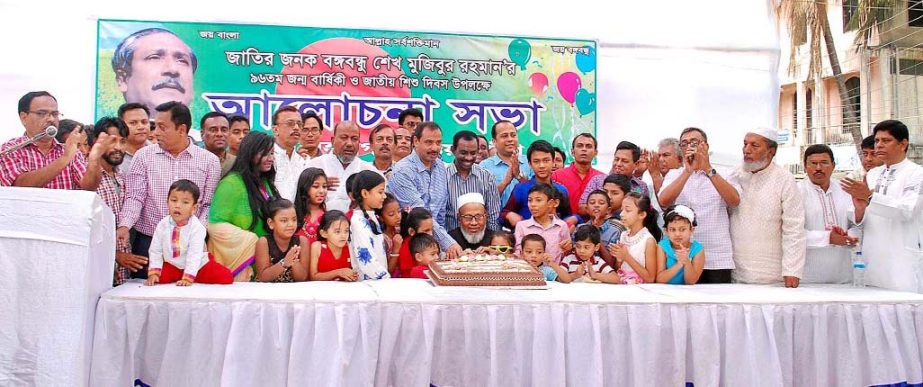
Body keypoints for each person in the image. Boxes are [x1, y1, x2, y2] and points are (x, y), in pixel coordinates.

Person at [118, 101, 220, 278]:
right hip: (149, 241)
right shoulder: (143, 157)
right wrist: (125, 225)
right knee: (146, 296)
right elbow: (135, 197)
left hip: (190, 243)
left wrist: (197, 235)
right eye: (155, 126)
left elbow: (207, 204)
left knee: (186, 295)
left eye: (162, 127)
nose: (155, 132)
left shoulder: (209, 161)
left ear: (181, 129)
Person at [841, 120, 923, 292]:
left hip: (902, 260)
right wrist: (859, 209)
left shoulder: (916, 173)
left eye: (886, 141)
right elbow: (859, 220)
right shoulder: (872, 174)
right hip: (872, 259)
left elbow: (907, 211)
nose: (879, 145)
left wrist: (870, 197)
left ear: (903, 144)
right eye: (877, 140)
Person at [658, 127, 741, 284]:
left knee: (717, 306)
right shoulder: (675, 174)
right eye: (684, 143)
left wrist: (708, 170)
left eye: (694, 142)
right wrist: (687, 172)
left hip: (716, 256)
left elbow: (734, 200)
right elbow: (664, 201)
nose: (689, 146)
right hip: (681, 256)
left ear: (706, 146)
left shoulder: (725, 172)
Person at [728, 128, 805, 287]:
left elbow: (794, 227)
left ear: (771, 151)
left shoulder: (785, 179)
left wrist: (792, 269)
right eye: (745, 144)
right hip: (735, 273)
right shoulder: (735, 175)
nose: (747, 150)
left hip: (772, 275)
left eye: (754, 146)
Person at [1, 91, 111, 190]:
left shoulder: (70, 150)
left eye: (55, 114)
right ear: (24, 118)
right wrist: (64, 159)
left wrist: (95, 160)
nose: (51, 119)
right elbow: (20, 185)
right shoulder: (10, 149)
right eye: (41, 113)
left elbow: (88, 187)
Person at [208, 132, 280, 281]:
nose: (271, 158)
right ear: (250, 152)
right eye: (265, 153)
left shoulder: (264, 181)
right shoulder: (230, 184)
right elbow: (215, 224)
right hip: (248, 261)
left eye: (272, 153)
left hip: (267, 260)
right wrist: (251, 240)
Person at [388, 121, 463, 258]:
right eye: (429, 142)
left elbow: (440, 215)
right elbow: (420, 214)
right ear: (415, 141)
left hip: (433, 245)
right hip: (408, 244)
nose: (435, 148)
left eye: (438, 143)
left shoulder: (440, 167)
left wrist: (441, 249)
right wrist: (449, 244)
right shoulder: (403, 171)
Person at [144, 180, 233, 286]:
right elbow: (155, 250)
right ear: (167, 202)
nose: (178, 206)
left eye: (185, 202)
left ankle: (193, 274)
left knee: (226, 277)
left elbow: (194, 254)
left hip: (198, 265)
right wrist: (154, 273)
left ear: (194, 208)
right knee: (157, 277)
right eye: (173, 200)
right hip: (173, 265)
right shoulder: (162, 225)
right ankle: (178, 275)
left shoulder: (197, 227)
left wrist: (188, 277)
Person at [799, 144, 864, 284]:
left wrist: (849, 237)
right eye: (813, 163)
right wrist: (828, 238)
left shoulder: (846, 189)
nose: (818, 168)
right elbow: (791, 233)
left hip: (843, 275)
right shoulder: (795, 192)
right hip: (807, 277)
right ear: (805, 166)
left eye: (824, 163)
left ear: (833, 165)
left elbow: (857, 225)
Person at [91, 117, 135, 285]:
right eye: (112, 141)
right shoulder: (85, 176)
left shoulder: (122, 177)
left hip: (124, 268)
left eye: (122, 141)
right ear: (97, 141)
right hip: (97, 266)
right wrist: (113, 257)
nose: (118, 147)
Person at [112, 28, 197, 114]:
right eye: (154, 57)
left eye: (182, 61)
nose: (172, 69)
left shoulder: (207, 125)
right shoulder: (108, 127)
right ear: (122, 80)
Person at [501, 140, 577, 227]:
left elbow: (567, 215)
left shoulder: (561, 190)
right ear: (530, 164)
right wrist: (509, 215)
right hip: (527, 238)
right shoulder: (521, 189)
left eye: (546, 160)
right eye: (536, 161)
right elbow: (503, 214)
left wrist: (574, 219)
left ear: (553, 162)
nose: (542, 165)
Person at [308, 120, 379, 211]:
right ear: (332, 141)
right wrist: (319, 185)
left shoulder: (369, 171)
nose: (349, 143)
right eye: (344, 138)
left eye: (354, 139)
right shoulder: (314, 165)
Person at [447, 130, 501, 231]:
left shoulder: (487, 177)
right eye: (463, 153)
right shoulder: (442, 176)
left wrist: (491, 243)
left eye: (473, 153)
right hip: (449, 242)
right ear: (453, 150)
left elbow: (494, 216)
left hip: (481, 242)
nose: (468, 158)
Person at [513, 183, 572, 263]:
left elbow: (566, 254)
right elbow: (518, 253)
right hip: (530, 272)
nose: (533, 205)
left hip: (554, 273)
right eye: (530, 200)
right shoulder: (522, 226)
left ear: (551, 203)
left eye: (538, 200)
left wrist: (568, 249)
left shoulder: (561, 226)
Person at [579, 141, 649, 207]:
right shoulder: (597, 181)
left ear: (636, 164)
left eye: (624, 161)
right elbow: (582, 206)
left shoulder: (641, 186)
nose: (618, 164)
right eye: (616, 159)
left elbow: (644, 212)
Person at [610, 192, 660, 284]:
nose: (621, 214)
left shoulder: (648, 240)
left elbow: (650, 278)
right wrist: (619, 260)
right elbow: (618, 268)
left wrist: (626, 257)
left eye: (627, 210)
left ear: (642, 215)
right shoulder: (623, 235)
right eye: (622, 210)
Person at [348, 170, 390, 280]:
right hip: (368, 285)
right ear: (365, 193)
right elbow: (367, 261)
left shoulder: (371, 217)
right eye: (380, 192)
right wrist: (385, 278)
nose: (384, 196)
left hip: (377, 282)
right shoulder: (358, 222)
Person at [480, 120, 533, 207]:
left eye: (513, 135)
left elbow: (539, 193)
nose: (510, 139)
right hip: (497, 219)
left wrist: (519, 176)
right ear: (494, 141)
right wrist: (505, 182)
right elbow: (484, 199)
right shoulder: (485, 166)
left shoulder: (529, 162)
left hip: (527, 218)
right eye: (504, 136)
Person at [255, 198, 309, 282]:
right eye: (284, 220)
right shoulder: (264, 242)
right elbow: (263, 277)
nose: (291, 224)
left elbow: (302, 278)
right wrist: (284, 263)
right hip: (267, 291)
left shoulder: (302, 241)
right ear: (271, 223)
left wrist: (294, 261)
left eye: (294, 219)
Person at [552, 133, 603, 216]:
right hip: (564, 226)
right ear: (572, 151)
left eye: (588, 146)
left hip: (594, 226)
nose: (584, 149)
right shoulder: (556, 176)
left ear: (595, 152)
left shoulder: (602, 178)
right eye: (580, 146)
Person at [655, 205, 706, 285]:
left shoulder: (698, 249)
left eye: (682, 229)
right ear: (666, 231)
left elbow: (691, 281)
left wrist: (686, 261)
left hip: (687, 292)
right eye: (672, 230)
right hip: (665, 291)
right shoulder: (662, 246)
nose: (677, 234)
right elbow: (660, 279)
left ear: (691, 230)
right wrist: (679, 264)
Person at [272, 106, 310, 200]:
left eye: (299, 124)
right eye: (290, 124)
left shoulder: (304, 161)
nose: (296, 128)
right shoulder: (267, 159)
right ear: (275, 130)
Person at [309, 210, 358, 281]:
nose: (343, 235)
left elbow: (356, 272)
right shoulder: (317, 247)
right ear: (324, 233)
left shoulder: (350, 247)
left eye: (346, 231)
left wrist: (353, 275)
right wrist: (339, 272)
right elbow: (313, 277)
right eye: (337, 231)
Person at [396, 208, 435, 277]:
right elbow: (410, 274)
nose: (431, 234)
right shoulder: (406, 248)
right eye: (426, 230)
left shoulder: (425, 242)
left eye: (432, 229)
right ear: (411, 231)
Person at [293, 167, 327, 245]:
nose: (322, 191)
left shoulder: (327, 216)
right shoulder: (293, 214)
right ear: (304, 188)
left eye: (324, 186)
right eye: (315, 186)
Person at [118, 102, 152, 174]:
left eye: (144, 122)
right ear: (121, 125)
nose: (141, 127)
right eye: (133, 123)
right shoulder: (115, 155)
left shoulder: (159, 152)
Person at [200, 111, 235, 177]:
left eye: (224, 130)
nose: (219, 134)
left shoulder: (237, 163)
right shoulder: (192, 161)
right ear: (202, 134)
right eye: (213, 130)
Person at [377, 193, 403, 274]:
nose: (398, 216)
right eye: (391, 214)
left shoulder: (400, 229)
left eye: (399, 211)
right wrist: (396, 249)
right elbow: (387, 272)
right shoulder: (381, 239)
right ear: (380, 217)